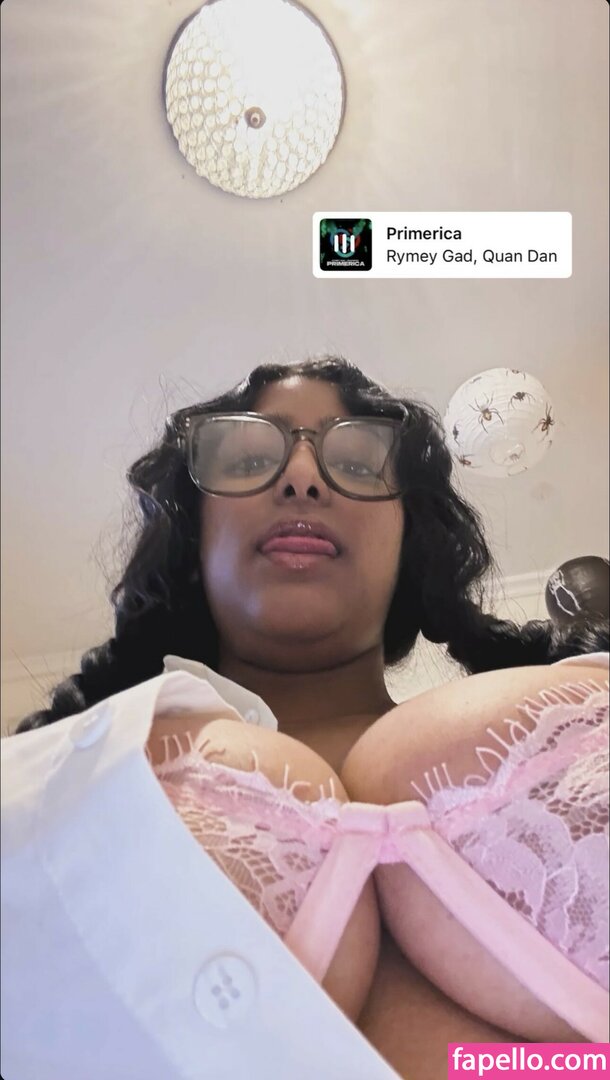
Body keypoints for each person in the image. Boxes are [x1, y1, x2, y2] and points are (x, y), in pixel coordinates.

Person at [3, 357, 608, 1080]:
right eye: (247, 460)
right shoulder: (49, 777)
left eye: (355, 463)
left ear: (410, 540)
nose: (301, 477)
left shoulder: (580, 702)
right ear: (193, 537)